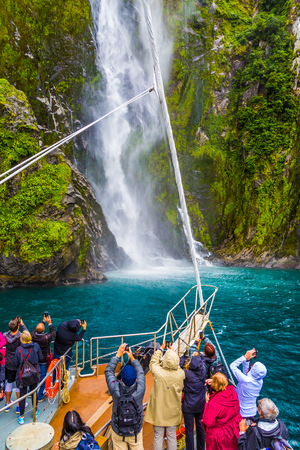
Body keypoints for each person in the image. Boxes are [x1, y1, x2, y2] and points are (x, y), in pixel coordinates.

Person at [144, 341, 185, 450]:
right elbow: (177, 364)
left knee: (158, 436)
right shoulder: (180, 374)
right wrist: (171, 352)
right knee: (172, 436)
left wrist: (161, 349)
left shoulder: (158, 373)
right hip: (172, 412)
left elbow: (153, 362)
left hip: (159, 412)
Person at [105, 343, 145, 450]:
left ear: (121, 379)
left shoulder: (115, 388)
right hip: (135, 431)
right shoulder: (140, 389)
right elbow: (141, 372)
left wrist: (118, 355)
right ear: (135, 379)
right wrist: (132, 357)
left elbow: (108, 371)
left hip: (118, 430)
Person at [202, 373, 242, 450]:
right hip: (234, 428)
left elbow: (208, 422)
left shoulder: (214, 402)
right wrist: (216, 381)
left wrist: (207, 403)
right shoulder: (232, 390)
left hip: (221, 434)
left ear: (215, 386)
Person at [14, 330, 43, 425]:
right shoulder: (36, 346)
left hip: (22, 375)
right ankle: (35, 411)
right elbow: (41, 358)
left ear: (21, 339)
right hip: (34, 373)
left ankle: (21, 416)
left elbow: (15, 364)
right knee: (34, 392)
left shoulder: (18, 349)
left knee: (23, 396)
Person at [179, 351, 206, 450]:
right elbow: (204, 361)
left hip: (188, 406)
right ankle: (201, 448)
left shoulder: (186, 374)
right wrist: (198, 354)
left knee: (189, 430)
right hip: (200, 405)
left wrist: (182, 357)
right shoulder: (203, 372)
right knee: (200, 428)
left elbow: (179, 367)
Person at [230, 349, 267, 419]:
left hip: (241, 413)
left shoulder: (245, 381)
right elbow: (246, 375)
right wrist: (247, 360)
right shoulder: (260, 381)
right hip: (252, 413)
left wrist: (244, 357)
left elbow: (232, 366)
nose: (252, 366)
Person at [3, 317, 28, 412]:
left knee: (9, 382)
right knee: (18, 384)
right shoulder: (20, 336)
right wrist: (22, 324)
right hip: (18, 362)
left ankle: (7, 404)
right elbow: (27, 334)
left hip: (8, 362)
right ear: (18, 327)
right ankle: (18, 404)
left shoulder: (5, 335)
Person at [31, 313, 56, 402]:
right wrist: (49, 323)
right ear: (43, 330)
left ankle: (30, 392)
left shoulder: (33, 335)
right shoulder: (46, 338)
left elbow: (35, 330)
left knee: (33, 375)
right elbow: (53, 333)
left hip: (34, 359)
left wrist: (43, 321)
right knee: (43, 377)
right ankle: (40, 395)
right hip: (43, 360)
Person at [0, 331, 6, 401]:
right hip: (1, 364)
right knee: (2, 380)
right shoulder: (3, 350)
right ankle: (2, 394)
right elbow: (4, 341)